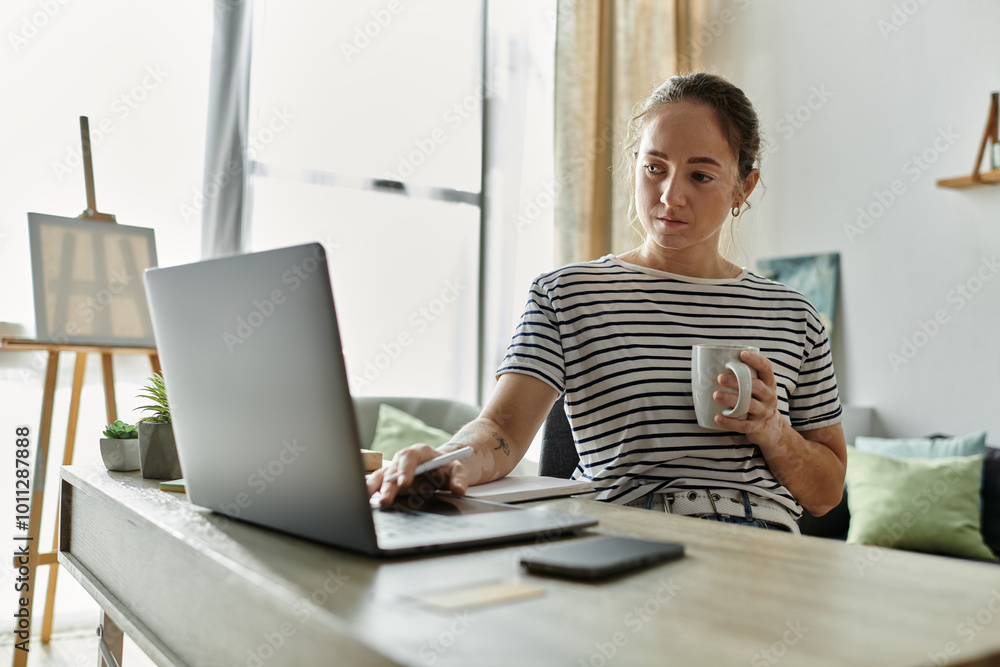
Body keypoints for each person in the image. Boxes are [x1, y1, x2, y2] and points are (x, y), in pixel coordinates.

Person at [366, 72, 846, 533]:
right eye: (654, 168)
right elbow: (502, 431)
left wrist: (774, 432)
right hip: (626, 532)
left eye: (700, 176)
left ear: (744, 186)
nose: (670, 195)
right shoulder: (566, 294)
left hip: (760, 546)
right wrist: (446, 460)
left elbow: (826, 494)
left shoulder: (794, 316)